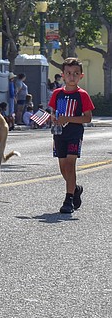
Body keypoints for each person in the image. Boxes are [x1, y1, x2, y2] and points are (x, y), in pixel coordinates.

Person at [48, 57, 94, 214]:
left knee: (70, 164)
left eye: (75, 73)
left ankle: (68, 200)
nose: (72, 76)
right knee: (62, 167)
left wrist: (69, 119)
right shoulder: (57, 94)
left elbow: (87, 118)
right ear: (62, 75)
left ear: (81, 75)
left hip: (74, 133)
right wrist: (53, 118)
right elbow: (53, 112)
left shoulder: (82, 95)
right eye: (68, 73)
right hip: (59, 134)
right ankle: (75, 189)